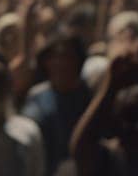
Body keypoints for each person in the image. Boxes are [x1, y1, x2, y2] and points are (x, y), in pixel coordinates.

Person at [22, 34, 88, 175]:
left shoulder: (88, 97)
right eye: (55, 57)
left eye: (67, 57)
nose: (60, 63)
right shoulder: (36, 96)